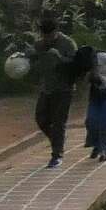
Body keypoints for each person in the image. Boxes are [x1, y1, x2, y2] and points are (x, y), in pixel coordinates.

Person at [31, 33, 85, 170]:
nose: (47, 39)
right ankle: (57, 140)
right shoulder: (39, 45)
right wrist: (27, 56)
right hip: (47, 88)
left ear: (56, 31)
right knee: (41, 119)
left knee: (58, 122)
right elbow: (35, 63)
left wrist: (60, 58)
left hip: (64, 89)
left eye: (50, 36)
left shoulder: (68, 43)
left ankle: (57, 155)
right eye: (45, 36)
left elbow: (76, 65)